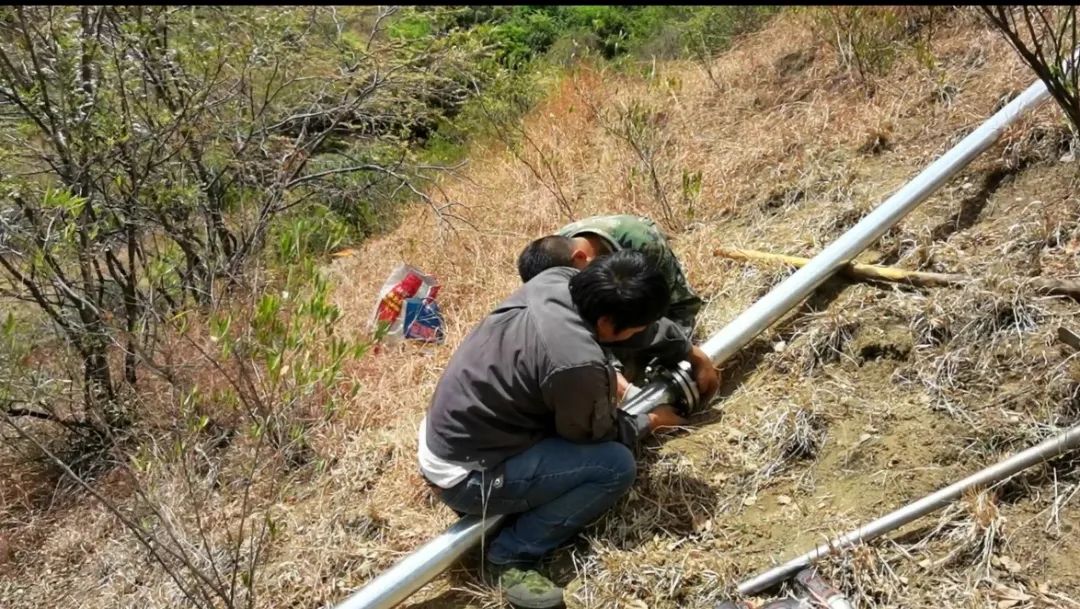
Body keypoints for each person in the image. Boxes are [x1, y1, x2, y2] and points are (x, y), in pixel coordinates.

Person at [418, 251, 719, 609]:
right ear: (607, 322)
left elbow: (635, 328)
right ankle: (511, 553)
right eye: (636, 327)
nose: (641, 332)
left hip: (456, 432)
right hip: (467, 474)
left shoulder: (558, 279)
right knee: (614, 466)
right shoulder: (575, 364)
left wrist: (689, 351)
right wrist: (651, 420)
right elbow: (596, 434)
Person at [517, 214, 705, 384]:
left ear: (581, 257)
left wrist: (681, 349)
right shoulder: (548, 267)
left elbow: (680, 307)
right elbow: (577, 327)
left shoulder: (642, 243)